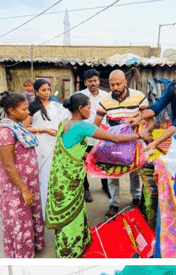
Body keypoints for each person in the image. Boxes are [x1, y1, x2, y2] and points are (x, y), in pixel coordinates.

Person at [47, 92, 145, 257]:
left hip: (59, 175)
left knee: (69, 209)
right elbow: (115, 138)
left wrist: (91, 157)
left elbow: (71, 149)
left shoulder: (64, 124)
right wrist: (138, 135)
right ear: (80, 108)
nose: (90, 111)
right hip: (70, 177)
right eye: (89, 107)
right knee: (73, 212)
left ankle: (69, 243)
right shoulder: (82, 126)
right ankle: (71, 249)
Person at [94, 69, 154, 216]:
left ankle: (136, 198)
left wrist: (146, 133)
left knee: (134, 171)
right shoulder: (105, 101)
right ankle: (113, 203)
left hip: (134, 141)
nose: (115, 87)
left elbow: (150, 120)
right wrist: (101, 141)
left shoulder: (138, 97)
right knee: (112, 172)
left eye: (118, 84)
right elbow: (96, 124)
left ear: (125, 82)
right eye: (112, 84)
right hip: (113, 141)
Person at [0, 91, 44, 258]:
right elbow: (7, 163)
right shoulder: (5, 131)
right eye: (24, 109)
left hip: (27, 183)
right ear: (11, 110)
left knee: (29, 216)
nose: (28, 112)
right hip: (16, 186)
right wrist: (23, 189)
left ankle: (32, 246)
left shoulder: (18, 125)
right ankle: (21, 253)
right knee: (19, 220)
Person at [27, 78, 69, 216]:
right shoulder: (32, 107)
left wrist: (61, 128)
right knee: (44, 175)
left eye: (48, 89)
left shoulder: (55, 105)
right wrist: (44, 130)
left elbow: (65, 120)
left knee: (57, 175)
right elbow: (25, 127)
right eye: (43, 90)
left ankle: (59, 207)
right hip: (42, 146)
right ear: (36, 92)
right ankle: (46, 211)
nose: (47, 92)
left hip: (56, 142)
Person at [77, 68, 110, 203]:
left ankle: (106, 185)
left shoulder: (106, 96)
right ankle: (86, 189)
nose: (93, 83)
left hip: (102, 137)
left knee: (104, 162)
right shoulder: (80, 96)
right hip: (85, 137)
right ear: (85, 82)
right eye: (89, 81)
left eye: (95, 80)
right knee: (83, 163)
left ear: (98, 81)